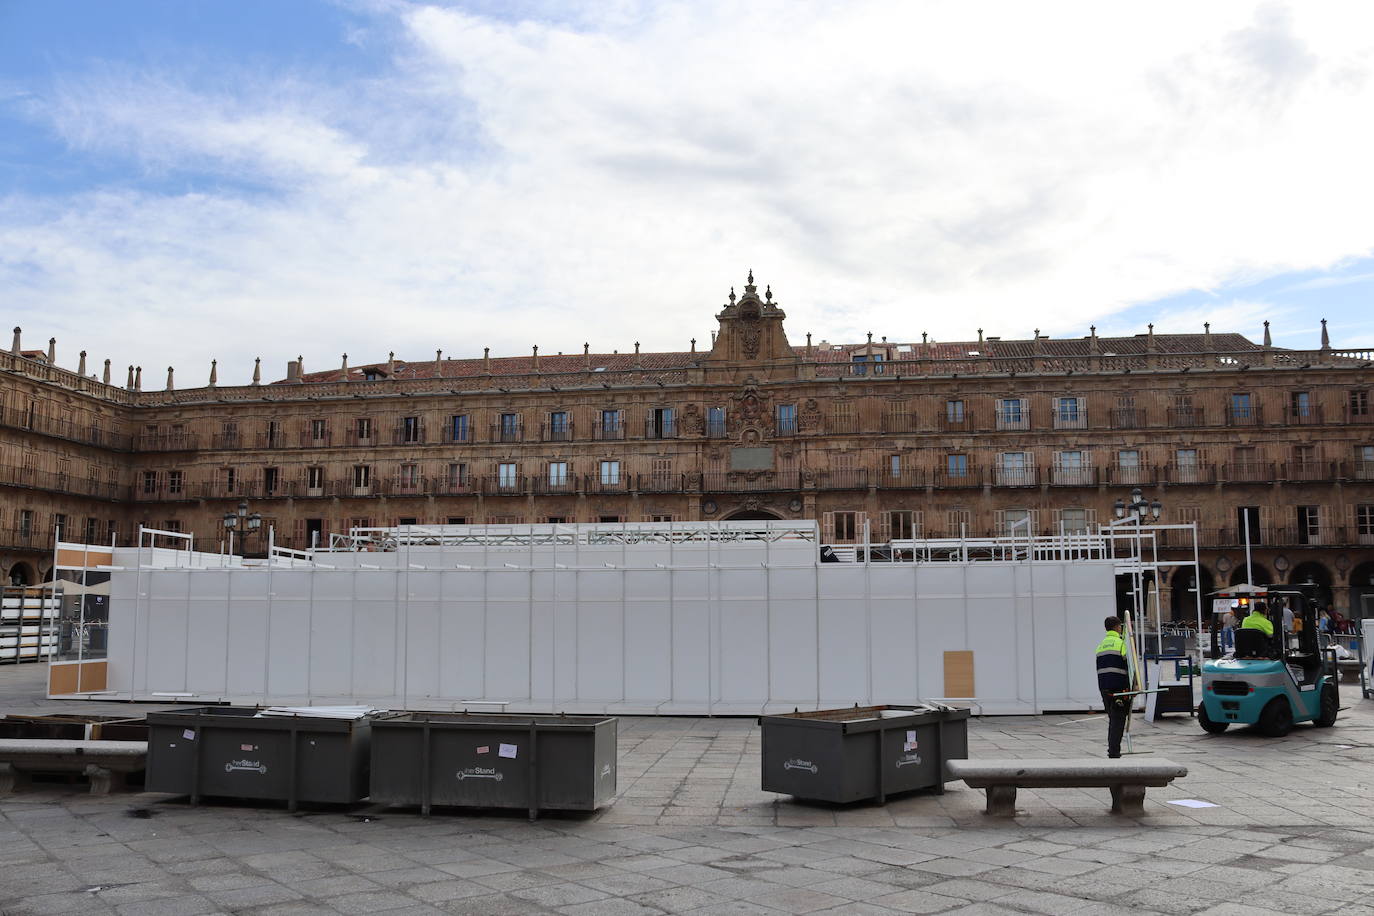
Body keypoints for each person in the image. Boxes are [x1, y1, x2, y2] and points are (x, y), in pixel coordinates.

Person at [1095, 616, 1130, 759]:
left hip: (1104, 688)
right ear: (1117, 627)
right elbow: (1129, 666)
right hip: (1119, 688)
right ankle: (1114, 752)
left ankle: (1113, 749)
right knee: (1118, 719)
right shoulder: (1121, 644)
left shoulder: (1101, 645)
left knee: (1113, 719)